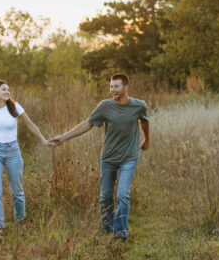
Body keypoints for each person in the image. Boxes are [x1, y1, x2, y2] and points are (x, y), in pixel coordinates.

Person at [51, 73, 150, 240]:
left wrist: (146, 139)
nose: (112, 90)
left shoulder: (139, 106)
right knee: (105, 197)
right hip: (108, 158)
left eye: (116, 86)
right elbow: (88, 123)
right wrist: (64, 137)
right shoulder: (105, 106)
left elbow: (145, 121)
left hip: (129, 157)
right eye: (111, 86)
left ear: (125, 87)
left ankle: (120, 233)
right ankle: (106, 228)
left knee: (123, 194)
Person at [0, 80, 53, 235]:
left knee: (17, 190)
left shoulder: (14, 107)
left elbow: (31, 124)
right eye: (4, 90)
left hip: (13, 152)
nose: (7, 92)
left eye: (8, 90)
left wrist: (43, 140)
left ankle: (20, 220)